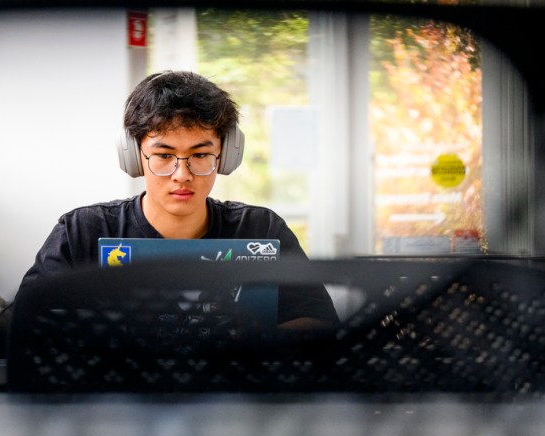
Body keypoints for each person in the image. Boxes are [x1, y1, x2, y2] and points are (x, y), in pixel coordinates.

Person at [17, 70, 338, 329]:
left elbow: (319, 321)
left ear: (225, 157)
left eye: (200, 155)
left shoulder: (261, 229)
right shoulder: (82, 231)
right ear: (133, 157)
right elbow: (25, 323)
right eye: (163, 154)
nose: (181, 174)